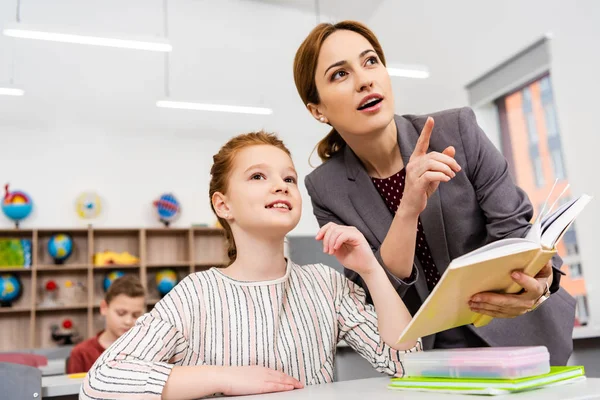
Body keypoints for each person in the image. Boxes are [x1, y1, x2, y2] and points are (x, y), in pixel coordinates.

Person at [293, 20, 576, 365]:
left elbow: (518, 233)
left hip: (518, 335)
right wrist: (408, 208)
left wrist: (540, 284)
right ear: (317, 110)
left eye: (370, 62)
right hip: (429, 358)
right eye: (340, 74)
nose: (364, 79)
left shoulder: (456, 129)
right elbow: (376, 294)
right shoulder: (325, 188)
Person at [80, 131, 423, 400]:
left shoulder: (325, 284)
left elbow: (408, 364)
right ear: (223, 204)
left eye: (289, 179)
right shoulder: (196, 295)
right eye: (258, 176)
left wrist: (371, 270)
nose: (280, 185)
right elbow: (100, 381)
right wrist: (225, 377)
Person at [67, 274, 145, 374]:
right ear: (104, 307)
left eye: (136, 315)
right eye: (121, 313)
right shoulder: (81, 353)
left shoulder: (147, 352)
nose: (128, 321)